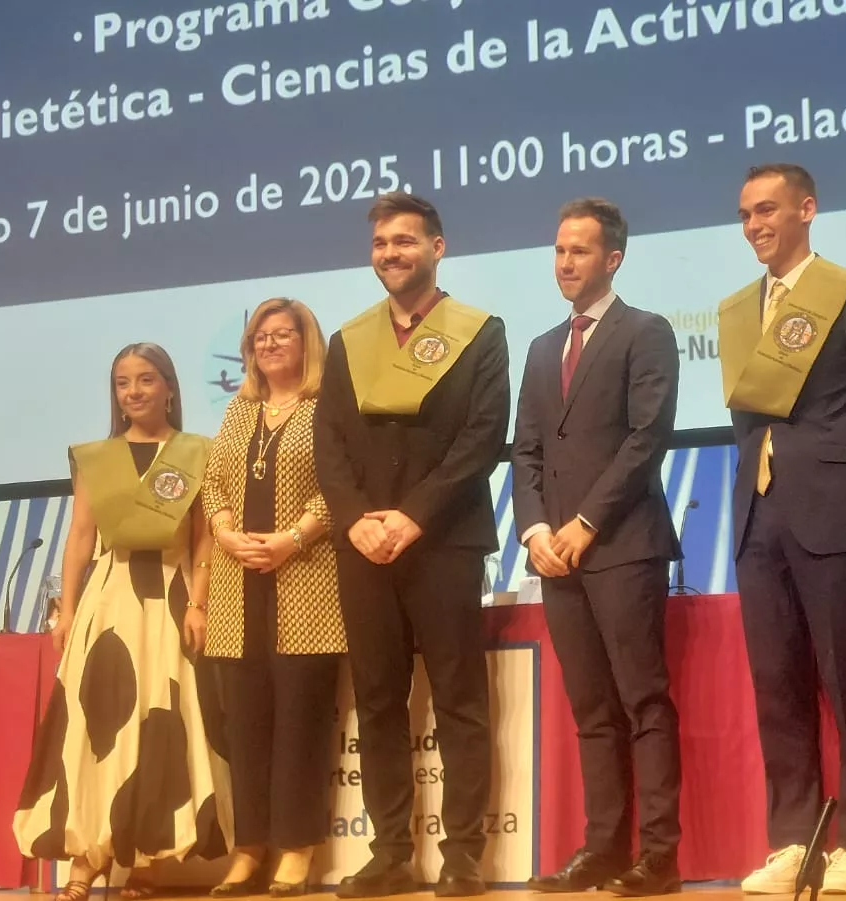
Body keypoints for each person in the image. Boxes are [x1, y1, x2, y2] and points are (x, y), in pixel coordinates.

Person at [313, 192, 510, 899]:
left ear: (437, 247)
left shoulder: (480, 332)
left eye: (404, 241)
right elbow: (328, 442)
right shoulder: (349, 339)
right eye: (380, 244)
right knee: (377, 702)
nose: (390, 253)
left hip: (444, 540)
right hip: (364, 547)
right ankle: (391, 853)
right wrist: (356, 519)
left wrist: (414, 515)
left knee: (460, 702)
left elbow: (482, 438)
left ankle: (463, 856)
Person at [716, 164, 846, 895]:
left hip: (833, 512)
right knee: (777, 686)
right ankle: (792, 840)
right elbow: (747, 423)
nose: (754, 225)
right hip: (757, 515)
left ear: (807, 209)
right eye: (745, 214)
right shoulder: (738, 308)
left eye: (767, 210)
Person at [510, 198, 684, 896]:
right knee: (592, 709)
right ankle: (602, 849)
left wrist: (585, 521)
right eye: (559, 250)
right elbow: (526, 450)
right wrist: (535, 530)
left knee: (643, 701)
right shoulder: (541, 347)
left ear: (613, 258)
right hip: (556, 555)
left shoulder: (646, 331)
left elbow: (647, 437)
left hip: (623, 545)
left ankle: (659, 856)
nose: (565, 262)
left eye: (578, 251)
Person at [15, 343, 229, 901]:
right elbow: (80, 537)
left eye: (146, 379)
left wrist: (199, 602)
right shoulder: (97, 458)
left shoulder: (197, 452)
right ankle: (86, 862)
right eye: (122, 382)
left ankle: (143, 862)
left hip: (170, 600)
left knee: (160, 723)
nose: (134, 391)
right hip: (108, 602)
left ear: (170, 388)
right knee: (96, 727)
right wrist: (66, 608)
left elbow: (203, 538)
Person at [202, 298, 345, 898]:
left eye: (282, 334)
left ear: (306, 342)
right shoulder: (239, 411)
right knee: (246, 729)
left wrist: (292, 539)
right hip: (238, 591)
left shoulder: (327, 408)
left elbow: (341, 486)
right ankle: (250, 847)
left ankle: (296, 848)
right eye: (260, 336)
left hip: (305, 584)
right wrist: (223, 530)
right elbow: (212, 483)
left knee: (299, 728)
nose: (269, 344)